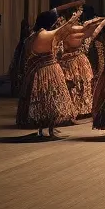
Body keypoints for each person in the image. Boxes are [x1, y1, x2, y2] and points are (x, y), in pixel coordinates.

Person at [16, 8, 84, 138]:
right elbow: (62, 30)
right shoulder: (43, 35)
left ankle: (44, 129)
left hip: (40, 71)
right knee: (50, 100)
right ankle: (48, 129)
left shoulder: (33, 36)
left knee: (45, 100)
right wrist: (73, 18)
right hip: (47, 71)